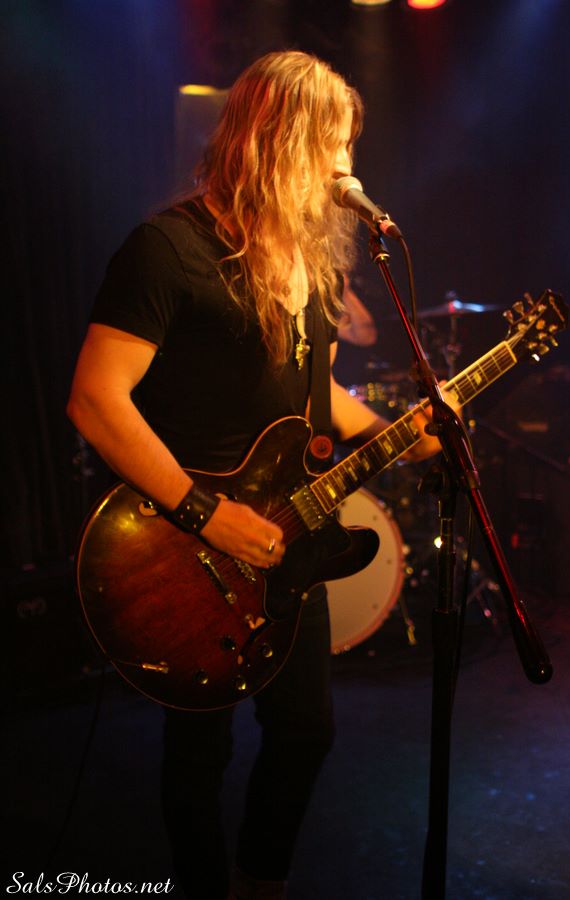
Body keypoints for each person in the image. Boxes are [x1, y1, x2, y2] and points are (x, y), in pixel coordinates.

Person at [67, 51, 456, 900]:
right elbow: (95, 399)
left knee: (306, 731)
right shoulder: (168, 250)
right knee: (199, 752)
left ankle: (260, 883)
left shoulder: (314, 264)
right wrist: (206, 513)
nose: (348, 166)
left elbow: (317, 393)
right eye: (334, 144)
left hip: (286, 539)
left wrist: (398, 434)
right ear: (280, 143)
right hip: (185, 545)